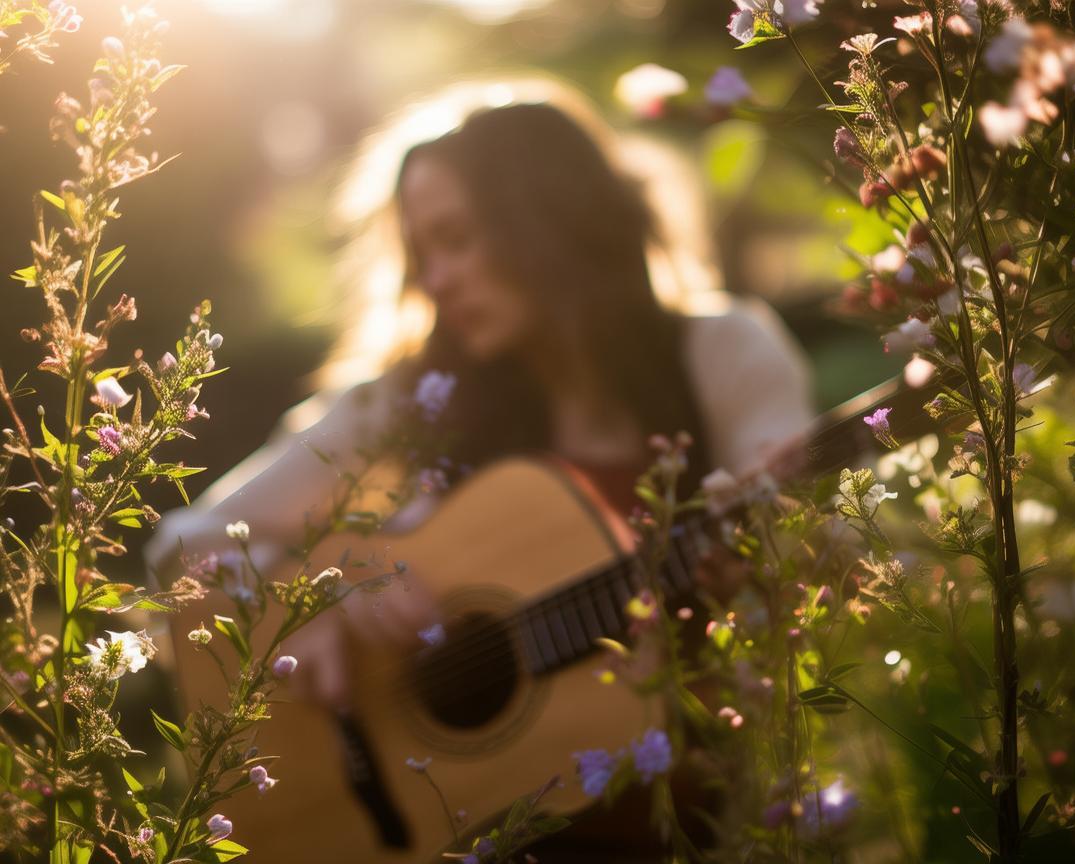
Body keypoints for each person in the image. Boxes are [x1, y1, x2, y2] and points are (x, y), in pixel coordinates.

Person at [145, 77, 813, 859]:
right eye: (421, 253)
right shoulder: (409, 403)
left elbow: (798, 535)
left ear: (552, 221)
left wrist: (776, 560)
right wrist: (312, 590)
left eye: (457, 239)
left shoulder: (723, 352)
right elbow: (181, 546)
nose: (434, 280)